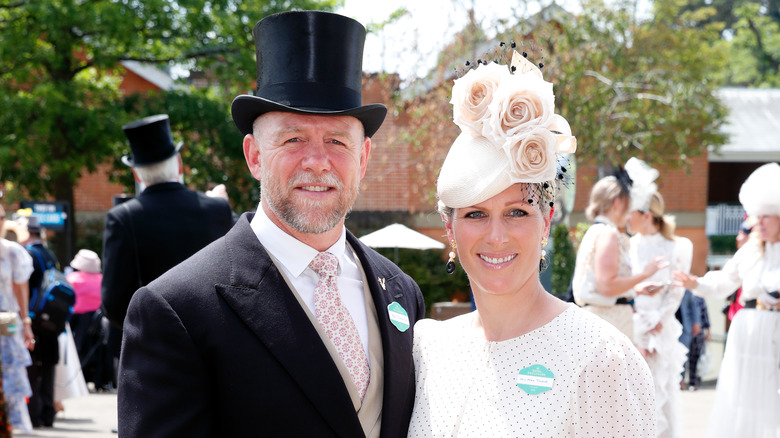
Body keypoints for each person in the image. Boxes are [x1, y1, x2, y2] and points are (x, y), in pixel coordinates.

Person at [118, 11, 425, 438]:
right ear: (254, 156)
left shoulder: (401, 291)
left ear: (364, 158)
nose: (317, 161)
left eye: (337, 141)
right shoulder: (177, 309)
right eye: (293, 139)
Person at [407, 50, 655, 436]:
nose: (496, 235)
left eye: (517, 212)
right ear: (449, 226)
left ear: (546, 222)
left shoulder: (601, 357)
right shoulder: (426, 349)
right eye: (475, 214)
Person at [674, 162, 780, 437]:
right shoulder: (751, 252)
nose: (760, 223)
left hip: (775, 333)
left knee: (772, 394)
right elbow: (723, 282)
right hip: (746, 330)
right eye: (759, 217)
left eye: (767, 217)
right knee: (742, 395)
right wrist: (695, 283)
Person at [100, 113, 235, 330]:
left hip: (156, 344)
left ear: (136, 174)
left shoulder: (123, 217)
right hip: (216, 337)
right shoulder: (217, 208)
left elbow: (114, 304)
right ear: (179, 165)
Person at [572, 158, 667, 338]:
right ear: (617, 203)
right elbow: (607, 285)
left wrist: (634, 289)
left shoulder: (597, 231)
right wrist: (644, 274)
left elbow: (600, 286)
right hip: (608, 322)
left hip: (603, 320)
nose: (631, 209)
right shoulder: (608, 234)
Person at [627, 191, 692, 437]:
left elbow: (676, 291)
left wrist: (658, 320)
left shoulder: (678, 246)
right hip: (632, 323)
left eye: (631, 212)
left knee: (660, 390)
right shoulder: (629, 244)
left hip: (660, 327)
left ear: (646, 215)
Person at [17, 214, 62, 429]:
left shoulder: (28, 255)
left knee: (33, 369)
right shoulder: (50, 253)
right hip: (53, 318)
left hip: (34, 319)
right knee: (49, 368)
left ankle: (34, 415)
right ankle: (48, 414)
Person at [0, 206, 34, 433]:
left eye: (1, 217)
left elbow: (21, 289)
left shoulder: (11, 251)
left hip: (4, 328)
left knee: (7, 392)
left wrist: (26, 324)